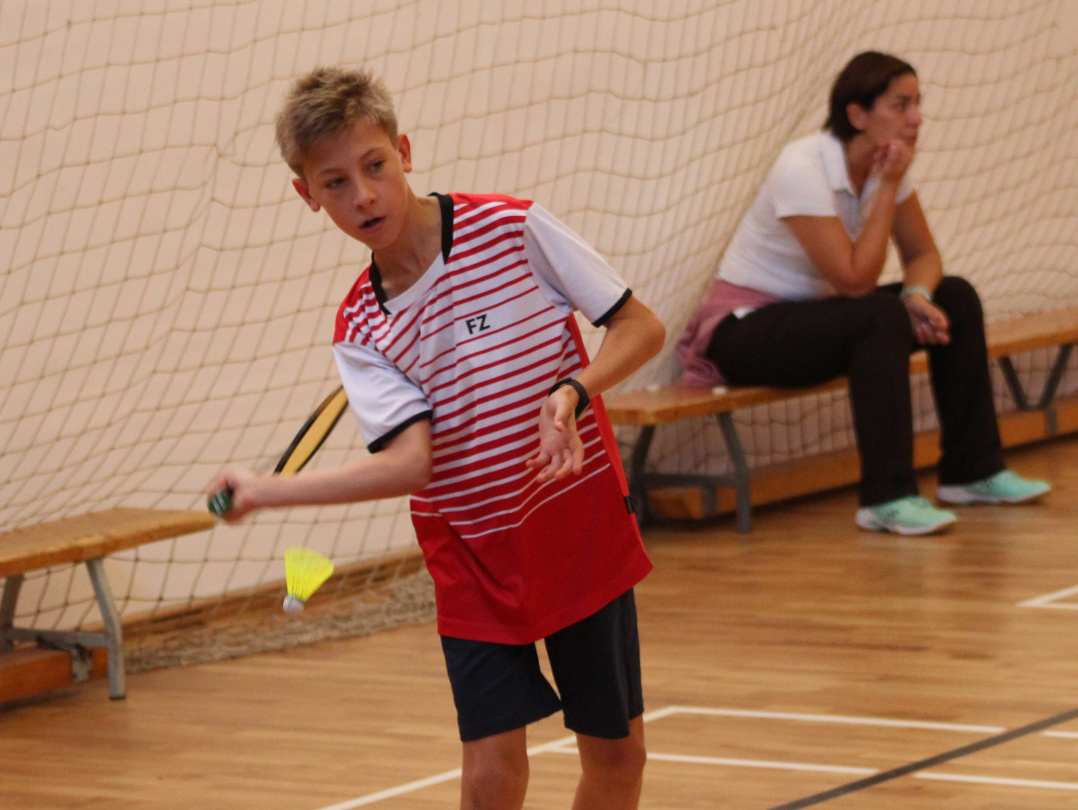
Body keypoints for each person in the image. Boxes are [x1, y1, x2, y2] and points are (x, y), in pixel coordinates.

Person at [209, 67, 665, 810]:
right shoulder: (361, 328)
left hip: (574, 526)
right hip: (472, 556)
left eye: (374, 166)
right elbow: (411, 463)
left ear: (405, 152)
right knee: (492, 774)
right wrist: (267, 491)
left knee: (617, 759)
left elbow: (640, 326)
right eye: (335, 182)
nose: (363, 195)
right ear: (307, 195)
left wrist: (573, 391)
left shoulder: (512, 229)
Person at [676, 51, 1049, 536]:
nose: (916, 119)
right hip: (742, 331)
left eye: (917, 104)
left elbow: (924, 254)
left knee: (954, 297)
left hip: (814, 317)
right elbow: (855, 281)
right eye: (901, 105)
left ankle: (972, 470)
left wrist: (917, 295)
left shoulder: (887, 165)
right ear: (857, 115)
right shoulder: (803, 167)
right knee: (878, 314)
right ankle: (886, 498)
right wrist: (886, 188)